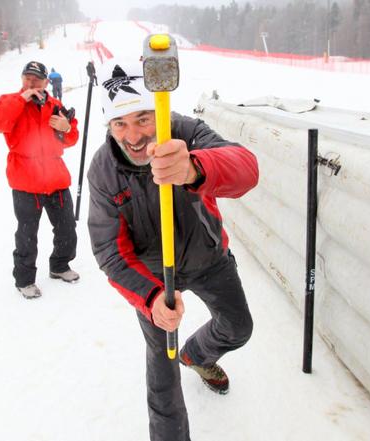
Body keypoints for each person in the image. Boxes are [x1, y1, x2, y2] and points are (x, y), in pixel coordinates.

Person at [87, 59, 258, 441]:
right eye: (120, 124)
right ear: (108, 125)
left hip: (208, 258)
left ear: (159, 112)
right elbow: (109, 251)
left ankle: (197, 355)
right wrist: (150, 300)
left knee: (238, 328)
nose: (133, 136)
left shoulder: (186, 132)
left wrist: (196, 168)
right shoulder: (103, 170)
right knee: (162, 374)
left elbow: (247, 169)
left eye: (143, 118)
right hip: (153, 278)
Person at [0, 61, 81, 299]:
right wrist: (22, 99)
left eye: (37, 79)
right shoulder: (9, 101)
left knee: (67, 229)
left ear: (46, 82)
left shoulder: (55, 105)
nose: (31, 83)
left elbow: (71, 139)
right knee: (27, 235)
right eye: (27, 78)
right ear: (22, 79)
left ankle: (60, 265)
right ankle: (25, 279)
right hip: (25, 181)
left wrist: (66, 127)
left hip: (56, 178)